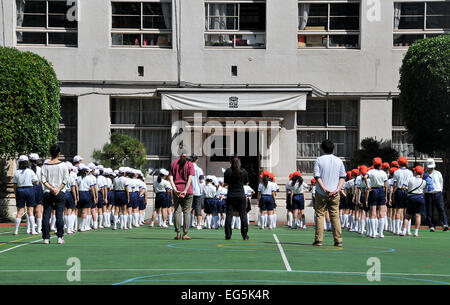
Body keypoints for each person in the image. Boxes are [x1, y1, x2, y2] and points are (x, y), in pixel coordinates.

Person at [312, 140, 346, 247]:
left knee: (319, 215)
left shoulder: (319, 160)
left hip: (321, 192)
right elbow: (342, 177)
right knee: (335, 215)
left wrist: (324, 188)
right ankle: (338, 240)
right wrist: (338, 189)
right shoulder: (339, 160)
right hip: (335, 192)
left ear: (322, 149)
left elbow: (317, 177)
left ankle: (318, 240)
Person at [40, 144, 69, 244]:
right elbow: (65, 180)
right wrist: (58, 189)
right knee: (59, 214)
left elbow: (43, 180)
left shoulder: (45, 165)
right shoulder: (63, 165)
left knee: (46, 215)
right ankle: (60, 237)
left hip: (48, 192)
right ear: (59, 153)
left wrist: (51, 188)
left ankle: (46, 238)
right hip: (60, 192)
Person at [169, 153, 195, 240]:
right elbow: (190, 179)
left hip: (177, 190)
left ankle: (178, 233)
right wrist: (185, 190)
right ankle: (185, 233)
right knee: (187, 212)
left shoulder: (174, 164)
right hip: (188, 191)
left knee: (177, 211)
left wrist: (175, 189)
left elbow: (170, 178)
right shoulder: (190, 164)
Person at [224, 156, 250, 240]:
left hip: (231, 195)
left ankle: (228, 234)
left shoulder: (228, 171)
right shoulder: (243, 171)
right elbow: (246, 182)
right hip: (241, 195)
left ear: (231, 163)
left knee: (229, 215)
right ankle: (244, 234)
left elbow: (226, 182)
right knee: (243, 215)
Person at [13, 155, 38, 236]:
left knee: (20, 211)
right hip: (29, 190)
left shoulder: (16, 172)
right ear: (27, 162)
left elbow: (15, 185)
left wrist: (16, 193)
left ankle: (16, 231)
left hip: (20, 190)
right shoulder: (30, 171)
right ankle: (33, 230)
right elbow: (36, 182)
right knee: (30, 211)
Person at [402, 166, 430, 237]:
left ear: (415, 172)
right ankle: (416, 232)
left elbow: (403, 187)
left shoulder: (410, 179)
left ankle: (404, 231)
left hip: (411, 197)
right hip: (420, 197)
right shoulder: (423, 181)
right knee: (418, 216)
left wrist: (407, 190)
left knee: (407, 216)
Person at [364, 158, 388, 238]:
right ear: (381, 164)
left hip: (373, 190)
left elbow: (365, 177)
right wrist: (386, 195)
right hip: (381, 190)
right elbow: (386, 184)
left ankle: (373, 233)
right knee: (381, 213)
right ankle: (381, 233)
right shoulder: (383, 173)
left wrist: (368, 186)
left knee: (372, 212)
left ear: (373, 164)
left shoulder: (370, 171)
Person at [424, 158, 448, 232]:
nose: (431, 168)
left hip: (437, 193)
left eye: (433, 167)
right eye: (430, 167)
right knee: (429, 210)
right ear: (427, 166)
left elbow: (441, 182)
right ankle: (431, 226)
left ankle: (444, 224)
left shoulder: (438, 173)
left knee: (441, 209)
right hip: (428, 194)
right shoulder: (424, 174)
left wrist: (440, 191)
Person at [392, 157, 413, 235]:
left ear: (399, 163)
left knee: (399, 210)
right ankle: (408, 230)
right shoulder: (410, 172)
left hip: (399, 190)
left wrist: (393, 194)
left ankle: (397, 230)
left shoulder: (396, 172)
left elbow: (395, 184)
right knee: (408, 211)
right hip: (408, 191)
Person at [29, 153, 44, 234]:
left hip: (29, 188)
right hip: (38, 188)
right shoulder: (40, 169)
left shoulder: (27, 169)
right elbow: (42, 180)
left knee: (30, 209)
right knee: (39, 209)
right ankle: (39, 228)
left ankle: (30, 229)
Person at [190, 155, 204, 230]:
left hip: (189, 191)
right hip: (198, 191)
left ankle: (189, 223)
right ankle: (198, 224)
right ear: (197, 160)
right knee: (198, 208)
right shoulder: (199, 169)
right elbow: (201, 180)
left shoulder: (188, 168)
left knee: (188, 208)